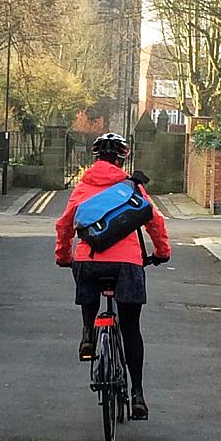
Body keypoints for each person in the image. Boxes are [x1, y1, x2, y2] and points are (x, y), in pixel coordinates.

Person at [55, 132, 171, 420]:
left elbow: (65, 225)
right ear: (122, 158)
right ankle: (138, 395)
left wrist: (64, 257)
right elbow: (154, 221)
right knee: (131, 328)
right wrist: (161, 252)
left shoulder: (83, 187)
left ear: (96, 158)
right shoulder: (130, 187)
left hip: (89, 261)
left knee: (87, 284)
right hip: (128, 264)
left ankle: (87, 334)